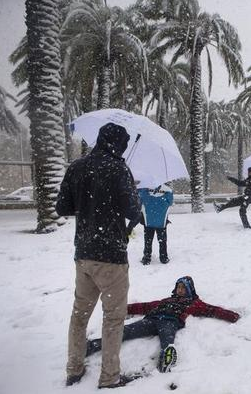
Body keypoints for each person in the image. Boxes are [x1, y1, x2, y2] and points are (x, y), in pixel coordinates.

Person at [56, 122, 141, 389]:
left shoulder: (77, 167)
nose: (124, 150)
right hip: (111, 258)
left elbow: (62, 207)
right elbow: (133, 211)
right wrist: (131, 197)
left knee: (79, 314)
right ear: (117, 144)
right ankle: (109, 377)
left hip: (83, 255)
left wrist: (89, 203)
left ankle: (74, 369)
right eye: (124, 145)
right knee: (113, 318)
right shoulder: (118, 169)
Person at [86, 276, 240, 373]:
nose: (180, 290)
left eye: (183, 288)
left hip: (170, 321)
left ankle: (167, 355)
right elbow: (145, 306)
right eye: (178, 287)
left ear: (189, 289)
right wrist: (125, 309)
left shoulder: (195, 303)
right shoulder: (166, 300)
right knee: (125, 331)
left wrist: (231, 316)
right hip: (152, 319)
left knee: (167, 337)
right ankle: (92, 346)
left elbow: (212, 310)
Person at [137, 184, 174, 265]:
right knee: (162, 241)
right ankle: (163, 257)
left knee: (148, 241)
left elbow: (139, 197)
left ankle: (147, 258)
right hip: (161, 222)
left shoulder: (144, 191)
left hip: (148, 221)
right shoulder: (167, 191)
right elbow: (170, 202)